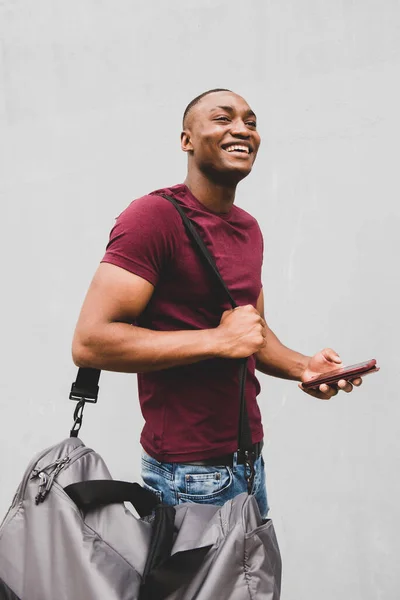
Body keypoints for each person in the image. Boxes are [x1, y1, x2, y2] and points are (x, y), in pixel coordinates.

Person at [72, 88, 362, 518]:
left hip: (248, 460)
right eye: (223, 119)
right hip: (187, 474)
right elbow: (90, 342)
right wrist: (216, 339)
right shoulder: (153, 218)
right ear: (186, 139)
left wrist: (305, 367)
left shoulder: (248, 228)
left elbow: (251, 334)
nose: (242, 128)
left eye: (251, 121)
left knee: (255, 587)